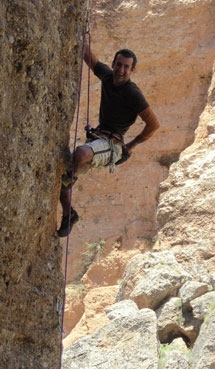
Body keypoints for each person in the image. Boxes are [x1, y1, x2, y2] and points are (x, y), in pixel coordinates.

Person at [57, 45, 160, 237]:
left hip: (114, 146)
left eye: (126, 67)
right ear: (113, 64)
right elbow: (91, 60)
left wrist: (131, 145)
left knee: (79, 155)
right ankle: (69, 213)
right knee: (67, 167)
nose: (121, 70)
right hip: (99, 138)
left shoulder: (132, 93)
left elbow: (153, 124)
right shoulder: (107, 76)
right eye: (118, 65)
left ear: (132, 70)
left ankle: (68, 188)